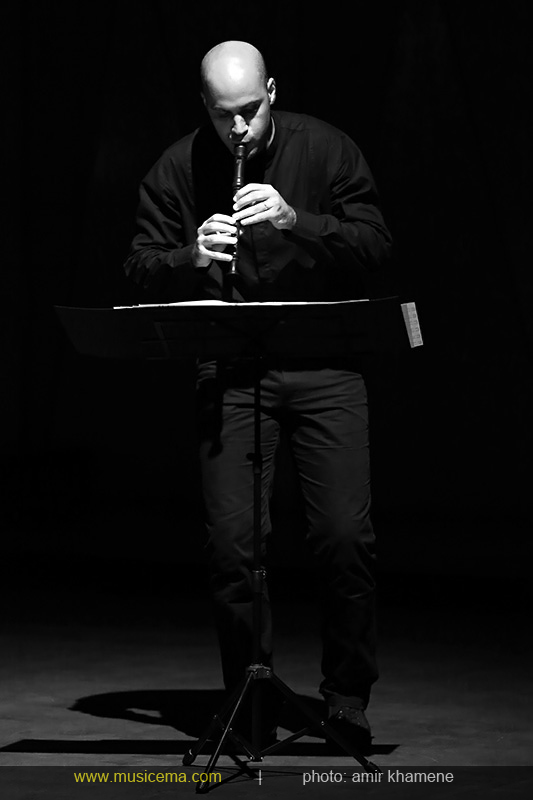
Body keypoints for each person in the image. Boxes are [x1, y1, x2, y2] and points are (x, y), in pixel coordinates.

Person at [124, 40, 392, 750]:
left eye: (250, 111)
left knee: (344, 538)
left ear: (271, 91)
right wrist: (189, 256)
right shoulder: (177, 166)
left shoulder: (327, 148)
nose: (238, 129)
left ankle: (346, 698)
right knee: (233, 549)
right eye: (223, 116)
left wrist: (294, 220)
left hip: (327, 367)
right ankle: (250, 697)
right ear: (204, 107)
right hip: (231, 369)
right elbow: (139, 266)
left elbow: (375, 246)